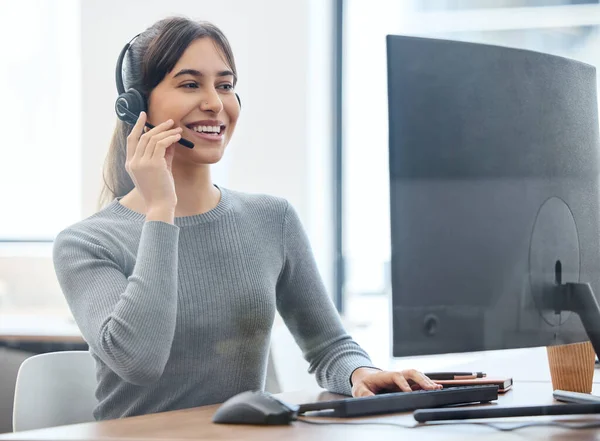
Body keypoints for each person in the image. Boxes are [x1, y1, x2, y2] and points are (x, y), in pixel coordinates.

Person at [52, 16, 441, 421]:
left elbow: (328, 346)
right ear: (137, 106)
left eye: (225, 85)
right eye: (190, 84)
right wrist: (160, 211)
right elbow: (139, 361)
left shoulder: (272, 219)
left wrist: (362, 373)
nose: (215, 104)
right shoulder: (85, 243)